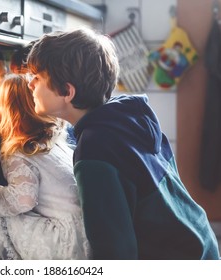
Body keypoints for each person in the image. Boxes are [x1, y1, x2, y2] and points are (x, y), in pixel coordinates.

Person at [26, 28, 220, 260]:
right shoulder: (130, 116)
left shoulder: (95, 149)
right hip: (201, 245)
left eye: (37, 77)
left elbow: (115, 252)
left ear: (67, 91)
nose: (29, 84)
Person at [0, 74, 91, 260]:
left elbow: (23, 200)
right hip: (85, 228)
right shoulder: (54, 144)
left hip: (63, 240)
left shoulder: (18, 152)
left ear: (11, 113)